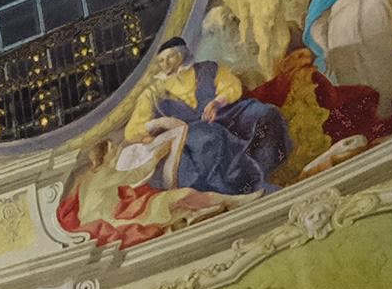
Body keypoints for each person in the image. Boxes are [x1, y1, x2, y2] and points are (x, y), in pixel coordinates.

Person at [121, 39, 290, 197]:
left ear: (182, 54)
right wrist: (160, 122)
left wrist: (217, 102)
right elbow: (132, 131)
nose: (166, 64)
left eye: (170, 57)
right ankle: (246, 186)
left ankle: (267, 167)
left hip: (224, 113)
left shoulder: (208, 68)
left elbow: (232, 86)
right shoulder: (153, 93)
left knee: (264, 113)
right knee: (211, 139)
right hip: (191, 130)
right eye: (161, 60)